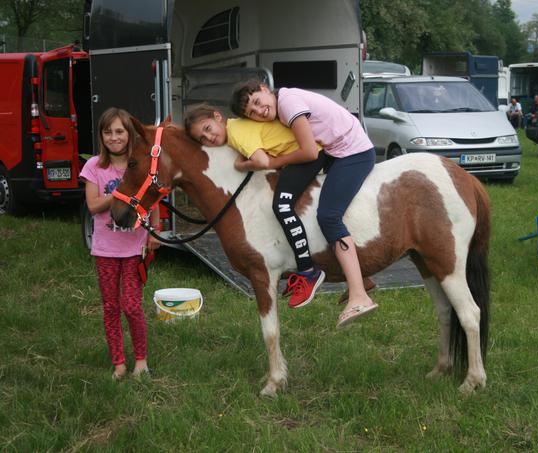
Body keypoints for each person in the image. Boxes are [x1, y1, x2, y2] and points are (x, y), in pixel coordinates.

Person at [231, 80, 378, 329]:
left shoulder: (288, 103)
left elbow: (309, 152)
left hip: (353, 154)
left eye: (257, 102)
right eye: (252, 114)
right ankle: (363, 279)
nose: (259, 112)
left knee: (329, 216)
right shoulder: (283, 104)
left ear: (265, 89)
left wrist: (274, 163)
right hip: (335, 152)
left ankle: (359, 296)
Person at [184, 104, 327, 308]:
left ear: (218, 116)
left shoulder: (237, 131)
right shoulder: (236, 128)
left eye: (208, 129)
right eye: (202, 139)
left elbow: (261, 161)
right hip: (298, 155)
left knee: (282, 206)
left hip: (308, 156)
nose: (209, 139)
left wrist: (240, 165)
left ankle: (307, 271)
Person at [80, 107, 160, 380]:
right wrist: (120, 195)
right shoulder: (94, 167)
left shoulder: (138, 163)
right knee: (111, 307)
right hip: (105, 249)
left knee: (132, 306)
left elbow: (153, 197)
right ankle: (119, 363)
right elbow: (92, 206)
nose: (114, 137)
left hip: (134, 248)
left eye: (119, 131)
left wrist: (155, 232)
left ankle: (141, 361)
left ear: (129, 134)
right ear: (101, 136)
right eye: (107, 132)